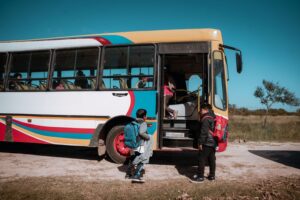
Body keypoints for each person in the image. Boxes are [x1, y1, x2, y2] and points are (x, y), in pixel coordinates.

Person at [125, 108, 153, 183]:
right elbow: (141, 133)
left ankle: (128, 174)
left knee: (134, 157)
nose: (146, 117)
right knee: (142, 159)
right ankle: (137, 175)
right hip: (140, 144)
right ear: (144, 116)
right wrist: (148, 137)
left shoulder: (133, 122)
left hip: (133, 144)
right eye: (146, 115)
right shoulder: (143, 123)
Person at [192, 103, 216, 183]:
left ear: (205, 110)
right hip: (213, 142)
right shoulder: (213, 117)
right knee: (211, 159)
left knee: (201, 159)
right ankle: (212, 176)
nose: (200, 111)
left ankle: (200, 177)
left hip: (206, 142)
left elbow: (204, 132)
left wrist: (200, 143)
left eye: (201, 110)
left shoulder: (205, 119)